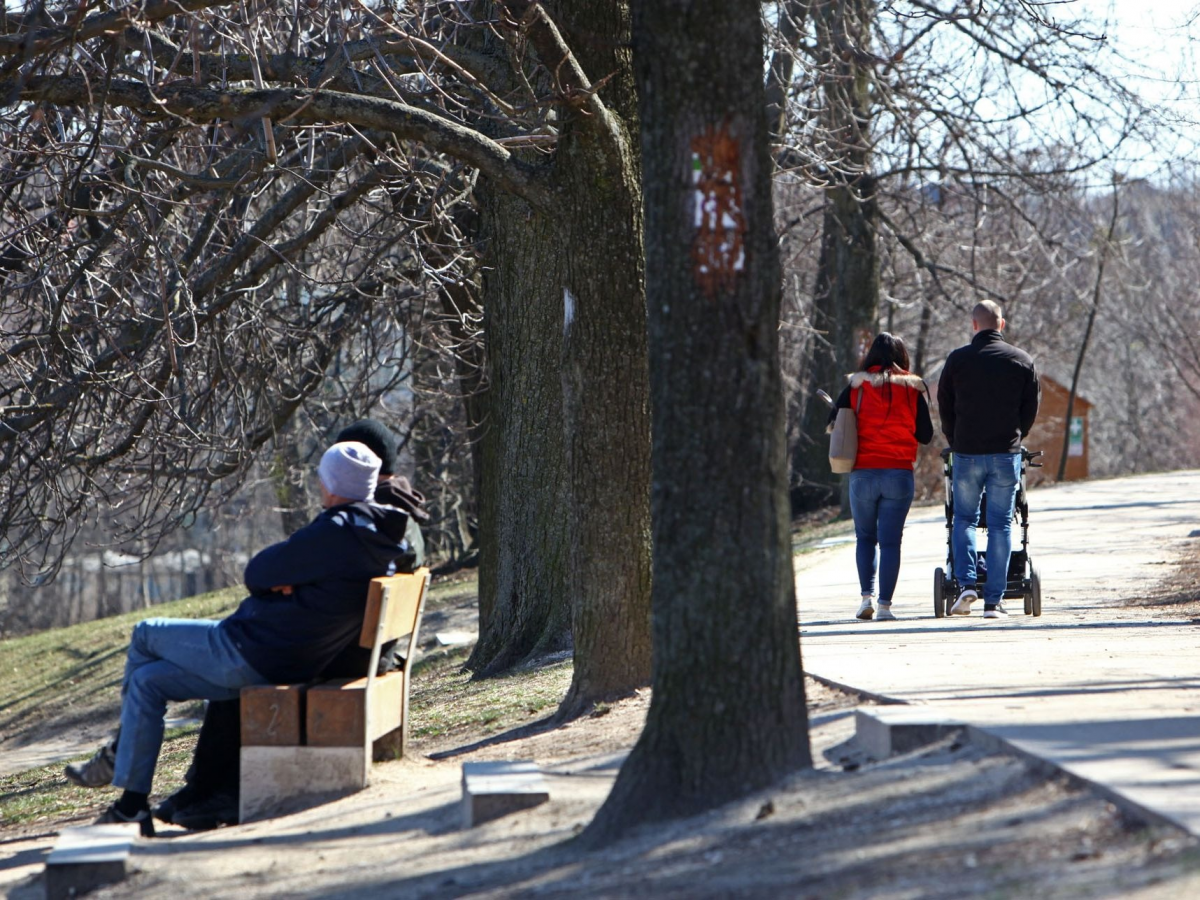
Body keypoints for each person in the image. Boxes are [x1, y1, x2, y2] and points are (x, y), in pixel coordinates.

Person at [66, 420, 429, 832]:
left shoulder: (336, 532)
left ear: (332, 484)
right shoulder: (383, 532)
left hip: (253, 650)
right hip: (287, 653)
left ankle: (121, 752)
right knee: (149, 680)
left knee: (145, 633)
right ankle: (132, 804)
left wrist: (287, 582)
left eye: (322, 477)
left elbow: (258, 572)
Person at [938, 300, 1040, 620]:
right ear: (1002, 325)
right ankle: (993, 602)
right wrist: (1016, 436)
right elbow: (1030, 407)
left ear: (974, 325)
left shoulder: (957, 360)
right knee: (1000, 526)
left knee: (964, 519)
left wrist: (955, 439)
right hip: (1005, 454)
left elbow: (945, 404)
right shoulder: (1021, 360)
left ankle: (967, 584)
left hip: (967, 453)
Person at [829, 333, 933, 622]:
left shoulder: (856, 386)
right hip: (898, 473)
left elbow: (835, 425)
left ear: (870, 356)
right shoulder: (913, 388)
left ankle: (866, 599)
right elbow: (926, 435)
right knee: (890, 542)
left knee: (865, 538)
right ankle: (885, 606)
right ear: (902, 357)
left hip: (863, 473)